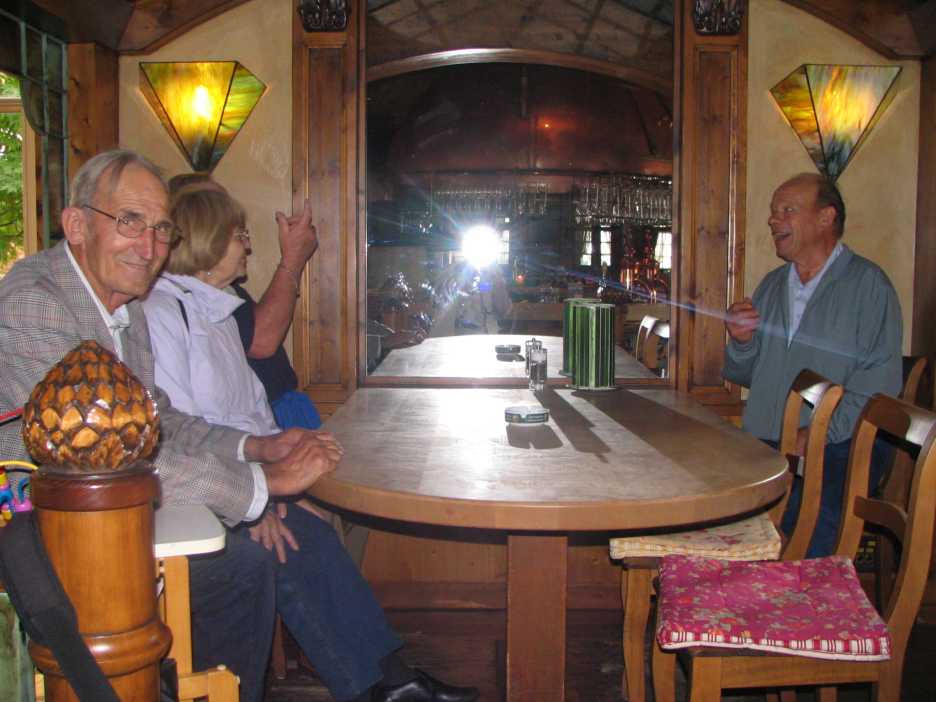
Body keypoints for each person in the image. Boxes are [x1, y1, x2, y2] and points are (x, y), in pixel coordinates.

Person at [0, 150, 478, 702]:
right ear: (77, 224)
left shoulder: (123, 308)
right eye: (129, 221)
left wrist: (258, 446)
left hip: (111, 515)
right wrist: (260, 487)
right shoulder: (37, 303)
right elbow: (105, 451)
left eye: (161, 229)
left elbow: (161, 420)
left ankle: (382, 681)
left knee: (263, 557)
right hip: (42, 532)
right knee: (247, 565)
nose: (149, 246)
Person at [723, 172, 902, 557]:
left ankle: (801, 592)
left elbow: (880, 386)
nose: (773, 220)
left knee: (807, 526)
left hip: (842, 443)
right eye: (773, 212)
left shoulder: (869, 285)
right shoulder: (772, 285)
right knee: (720, 504)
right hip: (770, 442)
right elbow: (744, 375)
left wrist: (819, 432)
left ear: (825, 217)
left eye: (787, 210)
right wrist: (741, 342)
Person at [167, 173, 322, 431]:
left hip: (266, 424)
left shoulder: (221, 294)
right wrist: (293, 257)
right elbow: (262, 342)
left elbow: (252, 400)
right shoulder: (169, 304)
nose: (247, 243)